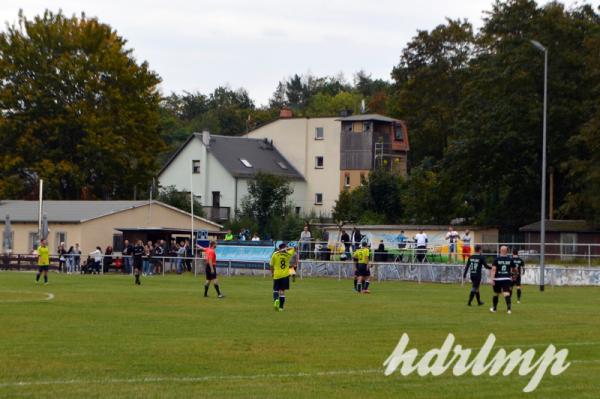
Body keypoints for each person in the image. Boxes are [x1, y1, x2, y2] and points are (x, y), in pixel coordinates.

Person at [489, 245, 517, 314]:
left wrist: (491, 279)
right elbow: (515, 269)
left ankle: (494, 309)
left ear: (500, 250)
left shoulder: (496, 259)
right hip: (506, 278)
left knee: (496, 293)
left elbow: (493, 270)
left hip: (497, 279)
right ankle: (509, 310)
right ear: (507, 251)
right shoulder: (510, 259)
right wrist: (514, 274)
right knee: (506, 293)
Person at [270, 243, 295, 311]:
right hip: (285, 276)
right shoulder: (288, 254)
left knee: (275, 290)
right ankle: (281, 307)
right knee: (282, 292)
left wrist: (272, 273)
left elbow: (271, 265)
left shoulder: (275, 254)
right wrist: (286, 249)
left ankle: (276, 300)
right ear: (284, 247)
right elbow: (293, 248)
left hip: (277, 275)